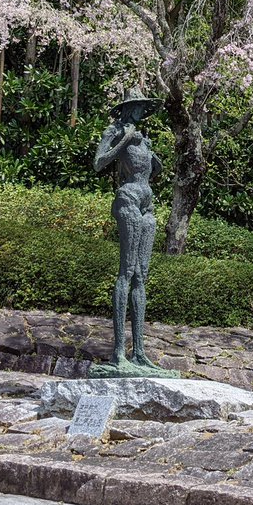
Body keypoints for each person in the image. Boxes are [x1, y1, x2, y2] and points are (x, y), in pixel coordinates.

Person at [93, 88, 163, 369]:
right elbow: (99, 163)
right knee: (128, 271)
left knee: (142, 276)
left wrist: (150, 154)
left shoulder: (143, 137)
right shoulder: (115, 130)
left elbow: (152, 171)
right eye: (136, 107)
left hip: (147, 204)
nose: (140, 112)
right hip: (128, 199)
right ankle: (119, 352)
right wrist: (124, 141)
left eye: (142, 108)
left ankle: (140, 352)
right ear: (126, 108)